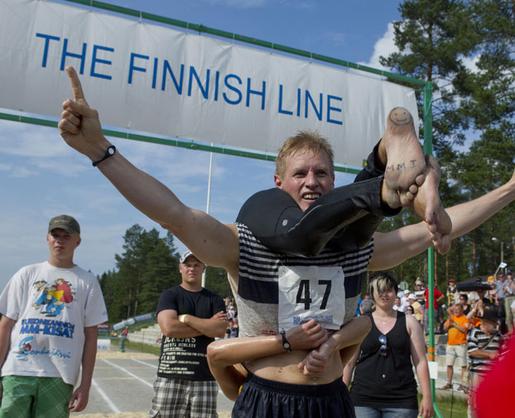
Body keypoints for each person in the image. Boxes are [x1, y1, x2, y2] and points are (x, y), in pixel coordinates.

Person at [58, 66, 515, 417]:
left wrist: (508, 189)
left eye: (322, 174)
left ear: (337, 183)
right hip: (266, 399)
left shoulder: (357, 248)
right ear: (279, 182)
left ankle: (390, 160)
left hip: (333, 399)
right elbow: (173, 212)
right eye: (301, 173)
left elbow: (447, 223)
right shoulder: (245, 243)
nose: (312, 182)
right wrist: (102, 151)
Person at [0, 215, 108, 417]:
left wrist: (85, 385)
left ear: (78, 241)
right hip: (18, 370)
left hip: (60, 374)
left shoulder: (87, 281)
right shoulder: (27, 273)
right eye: (55, 235)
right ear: (47, 238)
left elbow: (91, 337)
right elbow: (5, 325)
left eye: (66, 236)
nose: (60, 240)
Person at [343, 272, 433, 418]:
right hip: (363, 399)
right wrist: (342, 393)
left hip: (401, 400)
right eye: (380, 290)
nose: (385, 294)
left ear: (396, 293)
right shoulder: (361, 323)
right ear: (372, 294)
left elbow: (420, 361)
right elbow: (349, 362)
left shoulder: (409, 322)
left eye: (389, 290)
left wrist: (427, 396)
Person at [149, 250, 227, 418]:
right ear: (180, 268)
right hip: (171, 374)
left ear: (203, 268)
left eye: (197, 265)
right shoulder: (169, 295)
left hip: (204, 376)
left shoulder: (214, 299)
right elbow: (169, 328)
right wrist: (207, 325)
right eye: (187, 265)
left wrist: (186, 318)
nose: (192, 268)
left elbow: (219, 330)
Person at [467, 305, 504, 418]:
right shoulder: (475, 333)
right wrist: (489, 355)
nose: (496, 326)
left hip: (492, 375)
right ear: (486, 322)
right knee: (474, 403)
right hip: (477, 373)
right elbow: (472, 351)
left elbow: (501, 350)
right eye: (494, 324)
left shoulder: (498, 335)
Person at [441, 303, 471, 392]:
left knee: (463, 366)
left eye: (458, 309)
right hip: (450, 344)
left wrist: (454, 324)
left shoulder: (465, 318)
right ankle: (449, 383)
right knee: (449, 364)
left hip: (461, 345)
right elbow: (445, 328)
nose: (456, 311)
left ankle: (464, 384)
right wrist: (448, 323)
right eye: (455, 310)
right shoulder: (452, 317)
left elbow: (464, 330)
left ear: (462, 310)